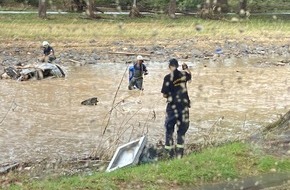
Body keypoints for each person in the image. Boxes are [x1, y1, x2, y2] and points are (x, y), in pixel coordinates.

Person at [161, 58, 191, 159]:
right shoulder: (183, 75)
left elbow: (164, 94)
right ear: (178, 66)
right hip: (184, 107)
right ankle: (179, 155)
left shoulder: (167, 78)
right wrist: (186, 68)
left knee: (169, 130)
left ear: (169, 67)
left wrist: (171, 94)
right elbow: (189, 75)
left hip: (172, 108)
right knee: (181, 131)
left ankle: (169, 155)